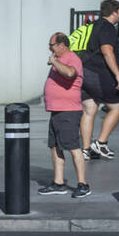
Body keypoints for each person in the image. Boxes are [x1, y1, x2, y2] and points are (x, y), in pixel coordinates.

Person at [39, 32, 85, 196]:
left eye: (51, 45)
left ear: (61, 45)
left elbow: (70, 73)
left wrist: (54, 61)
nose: (50, 49)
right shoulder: (59, 60)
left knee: (73, 147)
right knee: (55, 146)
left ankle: (83, 184)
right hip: (57, 111)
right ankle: (58, 182)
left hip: (69, 111)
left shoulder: (72, 59)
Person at [79, 0, 119, 162]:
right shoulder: (108, 27)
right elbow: (107, 51)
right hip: (98, 73)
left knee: (89, 109)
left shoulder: (94, 25)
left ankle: (85, 150)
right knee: (118, 106)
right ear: (114, 12)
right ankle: (101, 143)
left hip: (84, 71)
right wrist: (118, 75)